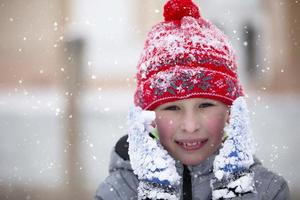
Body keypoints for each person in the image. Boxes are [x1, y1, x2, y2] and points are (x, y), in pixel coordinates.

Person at [95, 0, 290, 199]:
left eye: (205, 105)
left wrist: (237, 190)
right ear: (148, 117)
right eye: (172, 108)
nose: (190, 126)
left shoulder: (267, 191)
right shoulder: (119, 192)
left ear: (231, 112)